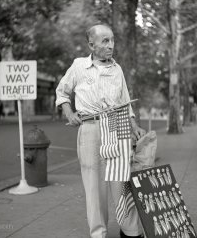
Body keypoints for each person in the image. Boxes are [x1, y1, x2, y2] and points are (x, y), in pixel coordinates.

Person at [56, 24, 146, 238]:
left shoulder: (117, 69)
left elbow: (125, 102)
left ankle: (130, 231)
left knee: (121, 182)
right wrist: (69, 113)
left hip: (116, 126)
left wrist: (134, 126)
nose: (110, 45)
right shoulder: (79, 66)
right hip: (90, 128)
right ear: (91, 45)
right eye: (105, 41)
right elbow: (62, 91)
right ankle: (99, 233)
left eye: (112, 40)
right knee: (94, 187)